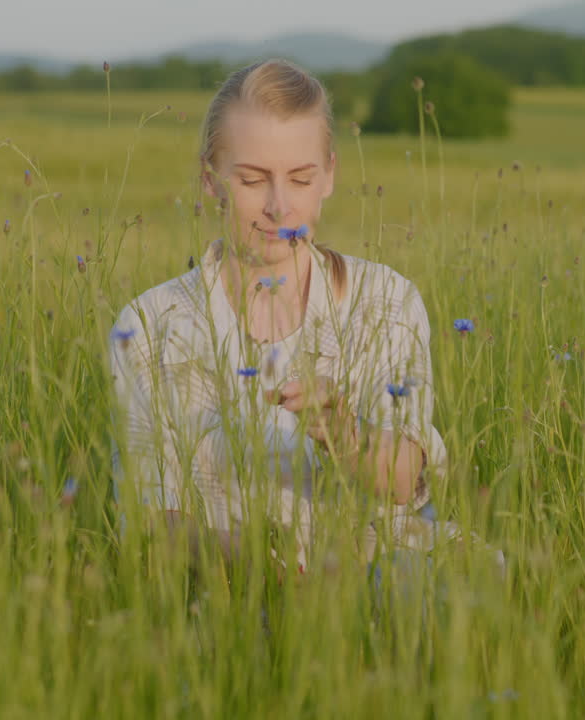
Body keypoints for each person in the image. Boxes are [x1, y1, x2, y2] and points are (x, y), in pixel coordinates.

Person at [108, 58, 469, 576]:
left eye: (300, 180)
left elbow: (402, 480)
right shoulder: (149, 324)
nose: (279, 207)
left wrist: (341, 432)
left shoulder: (385, 298)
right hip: (228, 588)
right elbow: (150, 515)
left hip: (384, 570)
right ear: (211, 181)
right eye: (253, 180)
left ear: (329, 176)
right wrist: (261, 568)